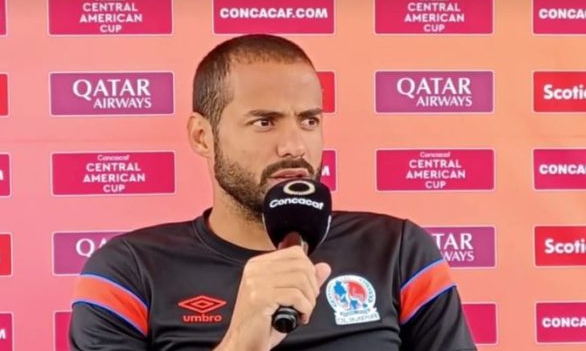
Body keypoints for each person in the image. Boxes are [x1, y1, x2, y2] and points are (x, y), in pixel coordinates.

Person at [69, 34, 476, 350]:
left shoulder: (399, 251)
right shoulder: (127, 272)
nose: (295, 146)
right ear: (202, 136)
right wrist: (242, 339)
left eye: (309, 120)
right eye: (265, 122)